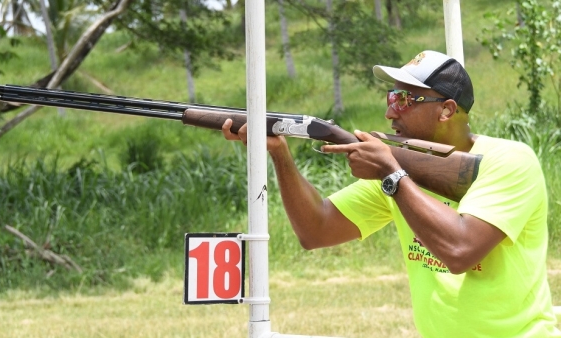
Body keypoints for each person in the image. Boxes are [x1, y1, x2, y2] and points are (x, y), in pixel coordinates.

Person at [222, 50, 560, 337]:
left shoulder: (510, 161)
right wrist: (280, 154)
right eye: (390, 97)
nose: (389, 111)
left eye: (405, 99)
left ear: (446, 110)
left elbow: (460, 250)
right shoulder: (397, 171)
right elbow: (316, 230)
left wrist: (392, 175)